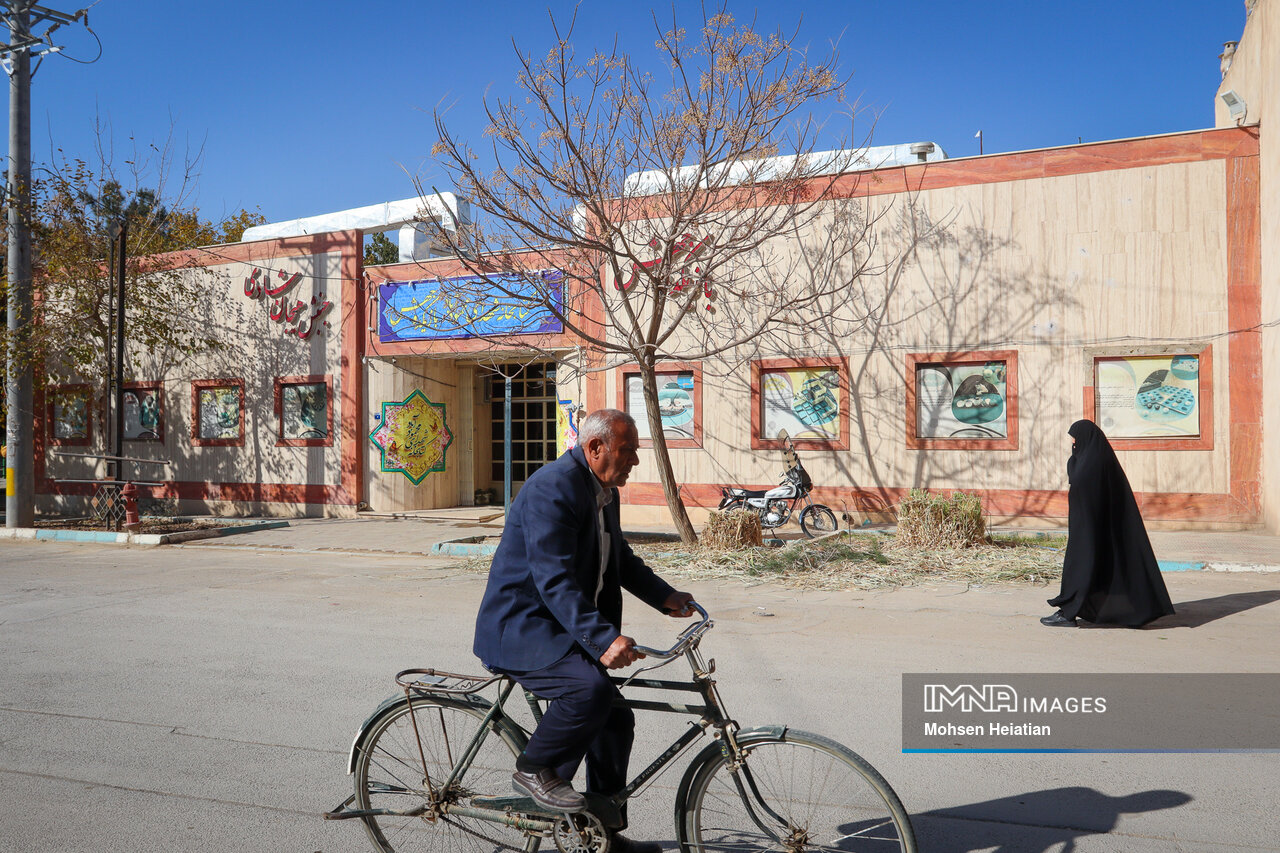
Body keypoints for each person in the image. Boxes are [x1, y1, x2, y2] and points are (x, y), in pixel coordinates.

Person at [474, 408, 694, 853]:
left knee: (615, 719)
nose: (635, 460)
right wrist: (604, 638)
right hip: (523, 628)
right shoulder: (553, 489)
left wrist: (666, 596)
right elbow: (554, 580)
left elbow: (620, 559)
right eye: (627, 450)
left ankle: (602, 835)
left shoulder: (603, 492)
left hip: (562, 626)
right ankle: (535, 769)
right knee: (588, 691)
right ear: (595, 448)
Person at [1042, 419, 1175, 628]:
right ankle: (1077, 611)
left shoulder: (1091, 465)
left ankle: (1068, 614)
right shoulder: (1096, 459)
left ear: (1086, 438)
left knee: (1079, 569)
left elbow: (1083, 487)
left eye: (1075, 439)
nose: (1074, 443)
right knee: (1096, 570)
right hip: (1094, 529)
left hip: (1089, 531)